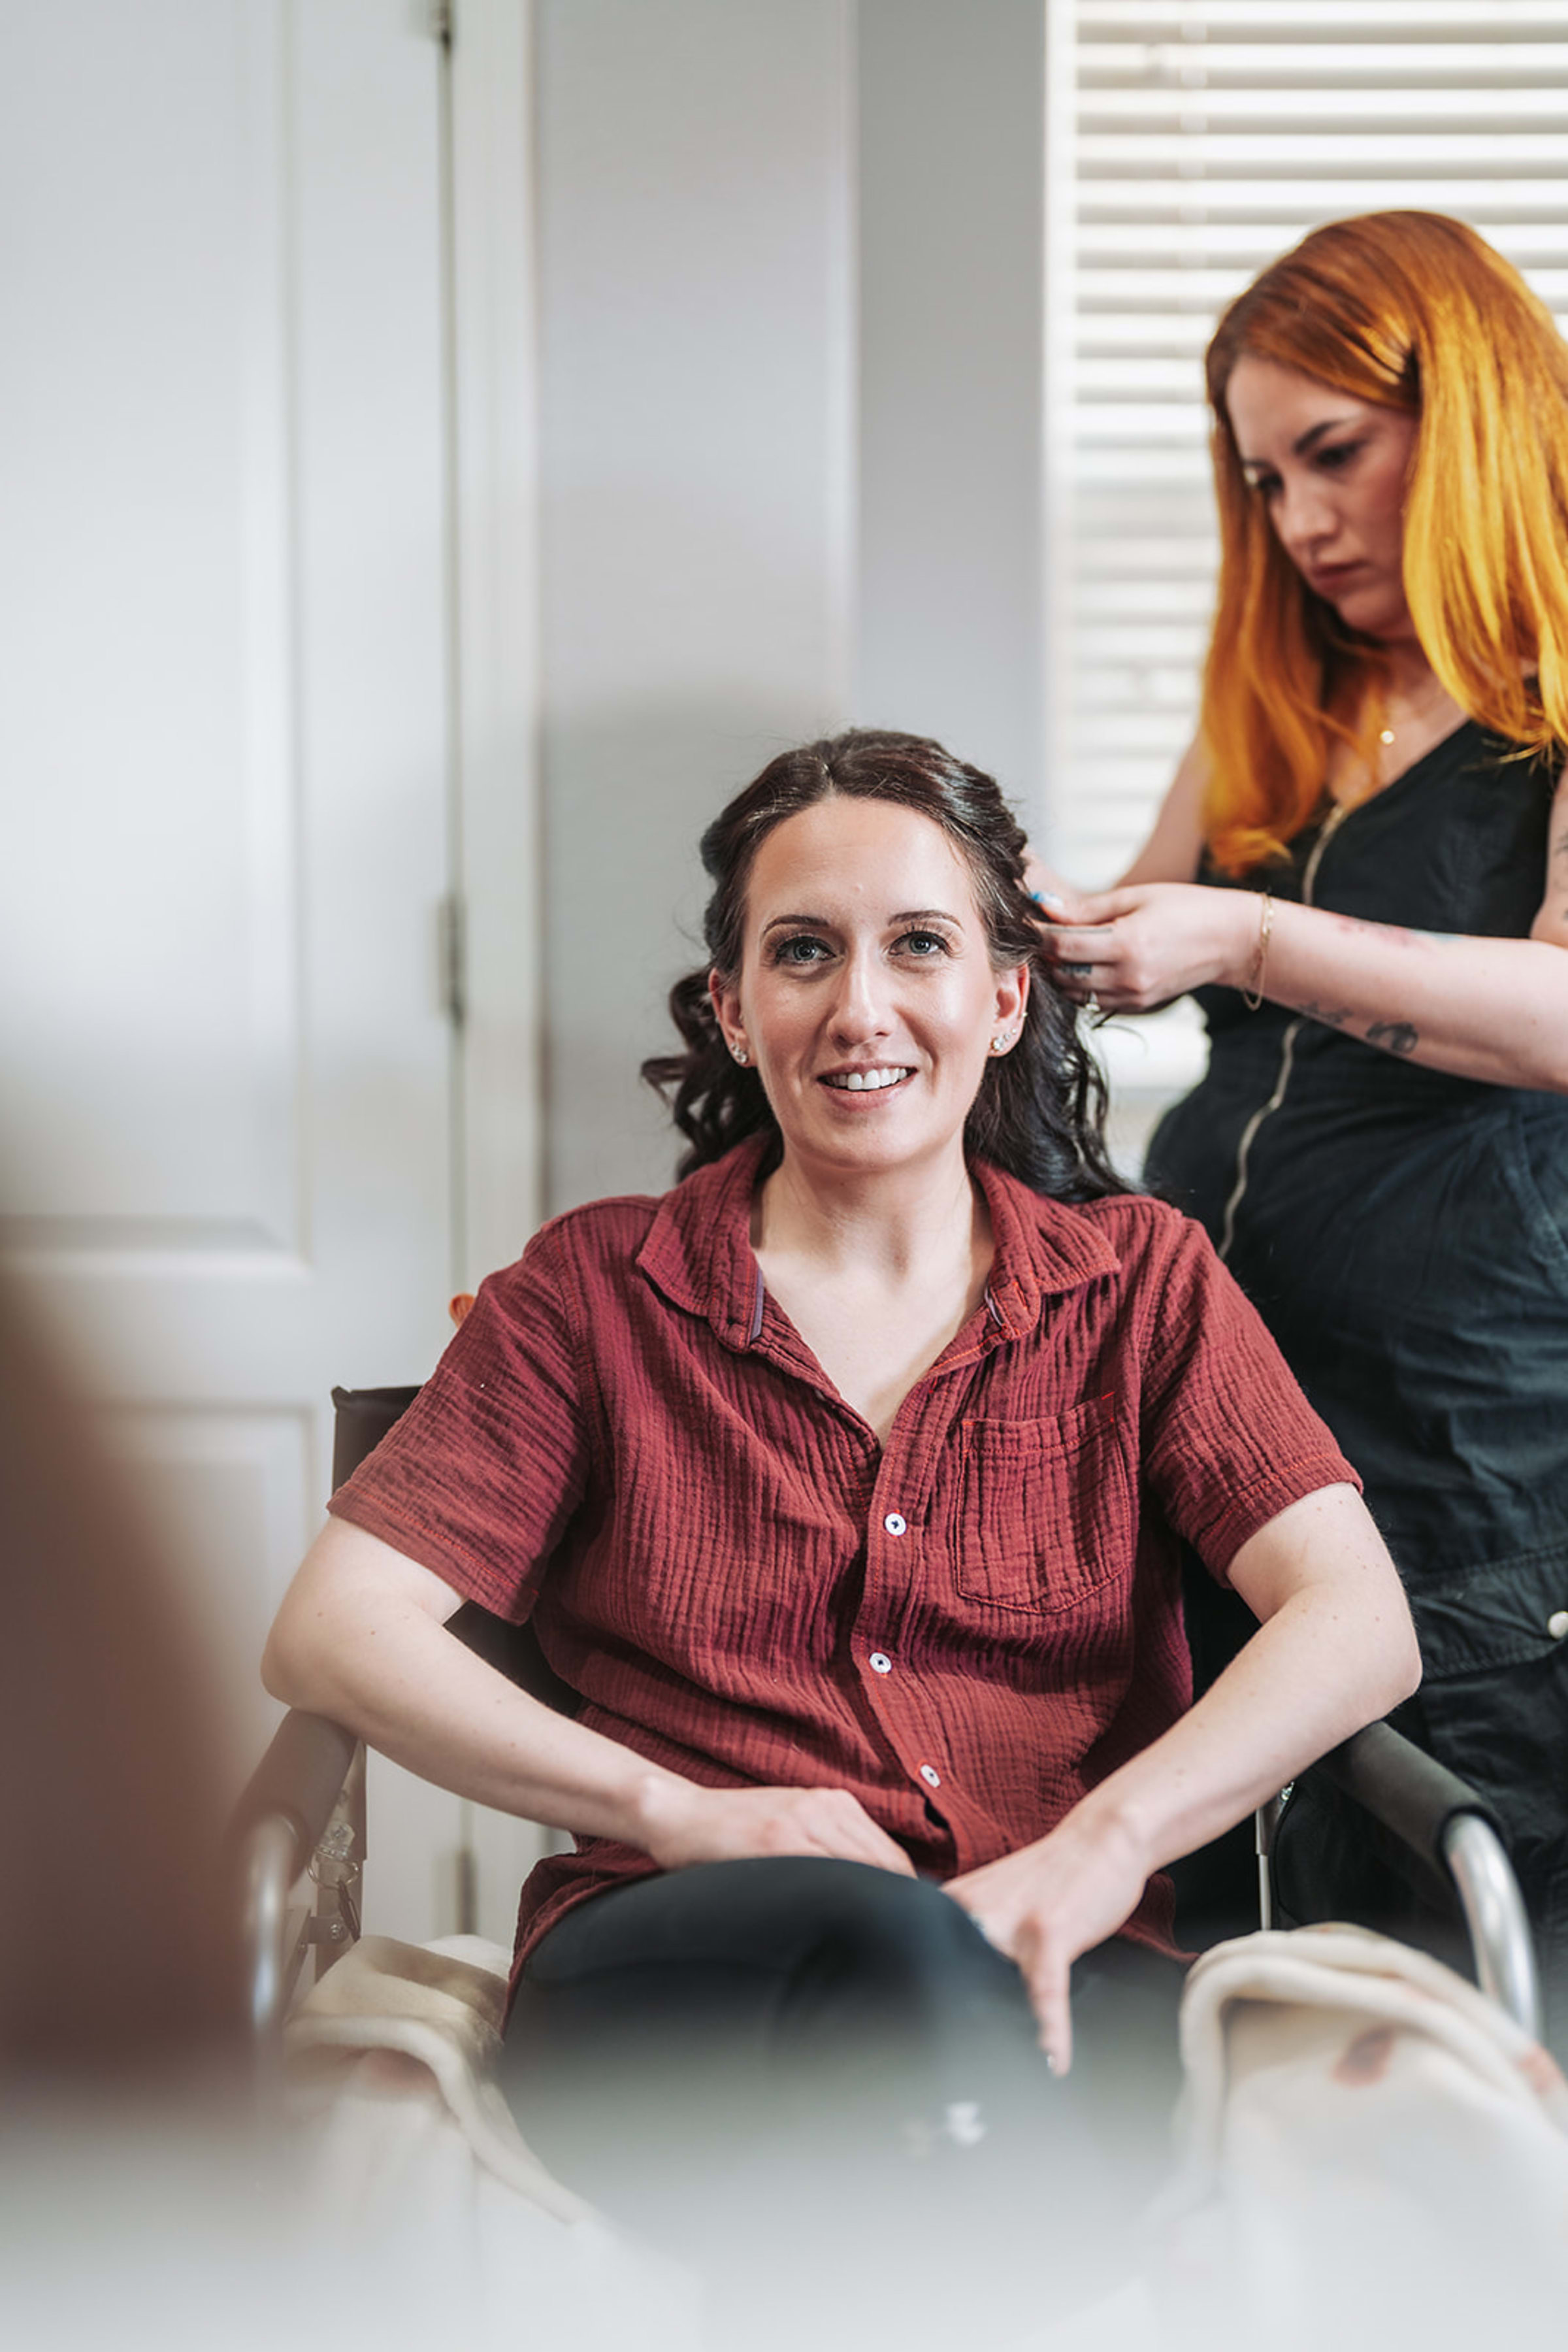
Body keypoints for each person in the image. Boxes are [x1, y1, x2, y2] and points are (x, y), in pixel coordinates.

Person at [262, 730, 1416, 2334]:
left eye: (920, 946)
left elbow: (1358, 1618)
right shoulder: (592, 1295)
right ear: (735, 1009)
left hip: (1073, 1974)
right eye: (802, 952)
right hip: (677, 1977)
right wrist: (671, 1811)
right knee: (917, 2024)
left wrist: (1100, 1853)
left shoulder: (1145, 1284)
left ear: (1007, 997)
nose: (861, 1009)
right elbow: (332, 1627)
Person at [1031, 211, 1568, 2024]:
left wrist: (1253, 937)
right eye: (1264, 479)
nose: (1300, 520)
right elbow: (1124, 928)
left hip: (1481, 1449)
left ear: (1474, 409)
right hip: (1251, 1433)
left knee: (1464, 1997)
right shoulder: (1296, 696)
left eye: (1335, 453)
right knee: (1285, 1989)